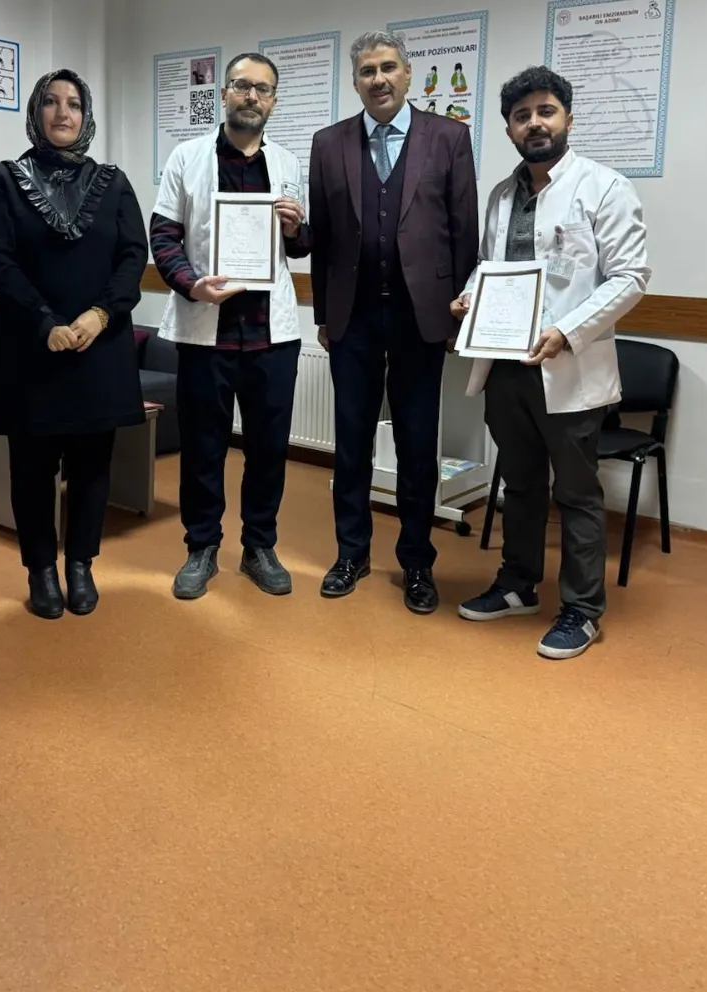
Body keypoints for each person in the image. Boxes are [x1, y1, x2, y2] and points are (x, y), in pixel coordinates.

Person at [454, 66, 649, 659]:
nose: (534, 123)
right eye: (522, 116)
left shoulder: (604, 187)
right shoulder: (501, 195)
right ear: (509, 129)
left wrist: (567, 331)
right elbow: (489, 267)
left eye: (546, 111)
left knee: (577, 493)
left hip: (568, 369)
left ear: (567, 118)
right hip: (506, 369)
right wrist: (470, 295)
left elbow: (630, 277)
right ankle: (518, 585)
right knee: (519, 485)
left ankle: (582, 611)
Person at [308, 31, 479, 614]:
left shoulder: (449, 138)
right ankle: (350, 553)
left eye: (387, 68)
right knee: (351, 442)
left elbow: (463, 230)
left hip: (421, 318)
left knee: (416, 444)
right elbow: (324, 238)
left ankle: (417, 562)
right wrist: (323, 314)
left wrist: (457, 314)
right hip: (352, 317)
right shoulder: (328, 143)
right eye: (366, 71)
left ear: (407, 74)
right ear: (355, 81)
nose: (378, 79)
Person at [0, 69, 148, 620]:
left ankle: (80, 565)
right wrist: (44, 321)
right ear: (36, 112)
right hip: (29, 347)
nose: (62, 113)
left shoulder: (114, 182)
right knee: (31, 467)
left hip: (100, 344)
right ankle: (41, 570)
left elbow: (132, 256)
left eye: (73, 104)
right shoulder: (5, 180)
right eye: (50, 102)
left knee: (93, 464)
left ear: (85, 115)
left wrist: (100, 314)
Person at [151, 52, 310, 600]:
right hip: (207, 332)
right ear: (224, 93)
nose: (252, 96)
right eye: (242, 85)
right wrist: (190, 284)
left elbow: (300, 247)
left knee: (268, 450)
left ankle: (259, 546)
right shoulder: (187, 157)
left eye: (263, 89)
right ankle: (201, 546)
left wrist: (297, 228)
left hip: (272, 336)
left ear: (274, 101)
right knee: (203, 448)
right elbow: (163, 236)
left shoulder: (287, 163)